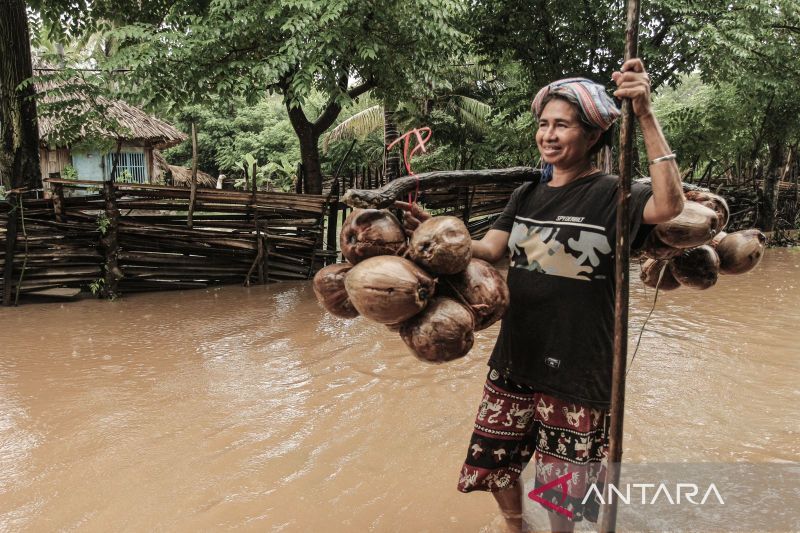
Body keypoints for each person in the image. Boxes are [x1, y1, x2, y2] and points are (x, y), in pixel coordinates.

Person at [399, 59, 684, 532]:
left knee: (563, 488)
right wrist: (434, 233)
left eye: (563, 125)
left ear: (592, 136)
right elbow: (490, 249)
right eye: (543, 124)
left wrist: (646, 114)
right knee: (493, 462)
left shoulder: (614, 194)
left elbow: (671, 205)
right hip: (516, 355)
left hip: (580, 366)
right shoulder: (527, 193)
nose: (549, 135)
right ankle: (515, 526)